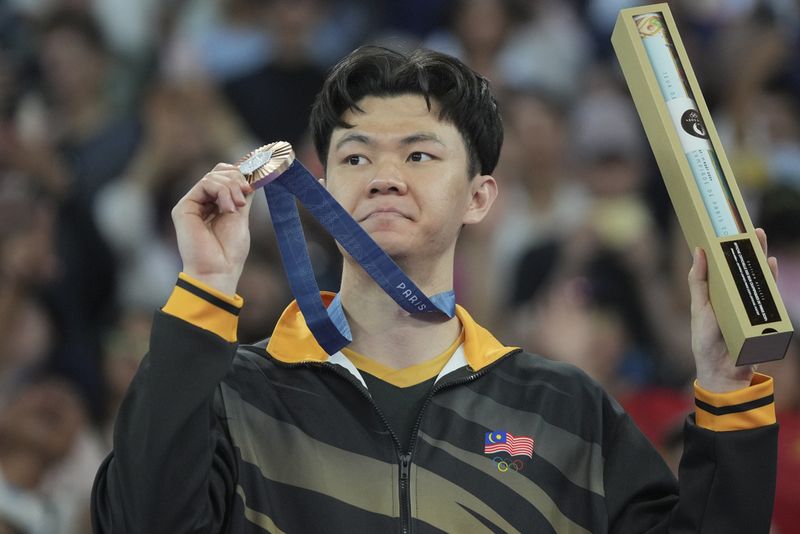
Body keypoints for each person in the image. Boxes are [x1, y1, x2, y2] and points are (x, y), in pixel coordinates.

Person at [91, 46, 778, 533]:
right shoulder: (233, 395)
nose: (384, 177)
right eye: (355, 155)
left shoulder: (566, 413)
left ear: (480, 198)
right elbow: (140, 520)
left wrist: (727, 388)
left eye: (419, 154)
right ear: (320, 188)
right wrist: (205, 290)